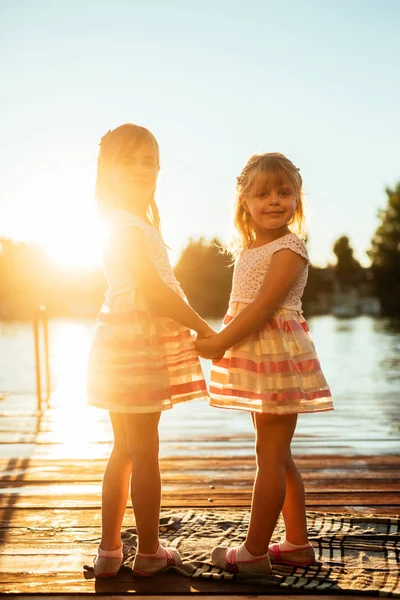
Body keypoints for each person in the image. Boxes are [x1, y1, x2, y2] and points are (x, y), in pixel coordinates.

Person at [196, 152, 333, 576]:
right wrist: (221, 337)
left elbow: (261, 308)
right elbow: (241, 307)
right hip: (259, 357)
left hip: (277, 357)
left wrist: (220, 342)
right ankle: (295, 544)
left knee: (270, 456)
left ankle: (254, 553)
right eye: (263, 194)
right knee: (276, 453)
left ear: (297, 199)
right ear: (245, 203)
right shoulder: (251, 247)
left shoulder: (290, 247)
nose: (275, 201)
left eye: (284, 192)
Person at [87, 123, 213, 578]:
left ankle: (108, 551)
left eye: (149, 161)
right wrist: (205, 331)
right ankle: (150, 552)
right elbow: (156, 292)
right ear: (108, 170)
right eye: (130, 160)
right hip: (135, 343)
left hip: (118, 341)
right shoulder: (125, 226)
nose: (142, 169)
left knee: (123, 448)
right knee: (144, 452)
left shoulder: (125, 222)